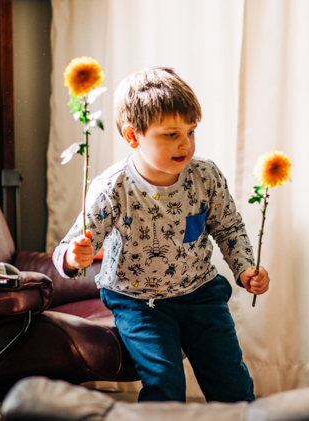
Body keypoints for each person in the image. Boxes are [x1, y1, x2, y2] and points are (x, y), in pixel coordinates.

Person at [52, 67, 270, 403]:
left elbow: (229, 227)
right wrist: (73, 257)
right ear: (133, 136)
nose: (185, 144)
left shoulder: (206, 176)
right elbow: (68, 248)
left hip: (200, 293)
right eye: (170, 134)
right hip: (138, 301)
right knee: (165, 384)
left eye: (191, 131)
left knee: (233, 386)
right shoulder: (112, 188)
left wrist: (244, 268)